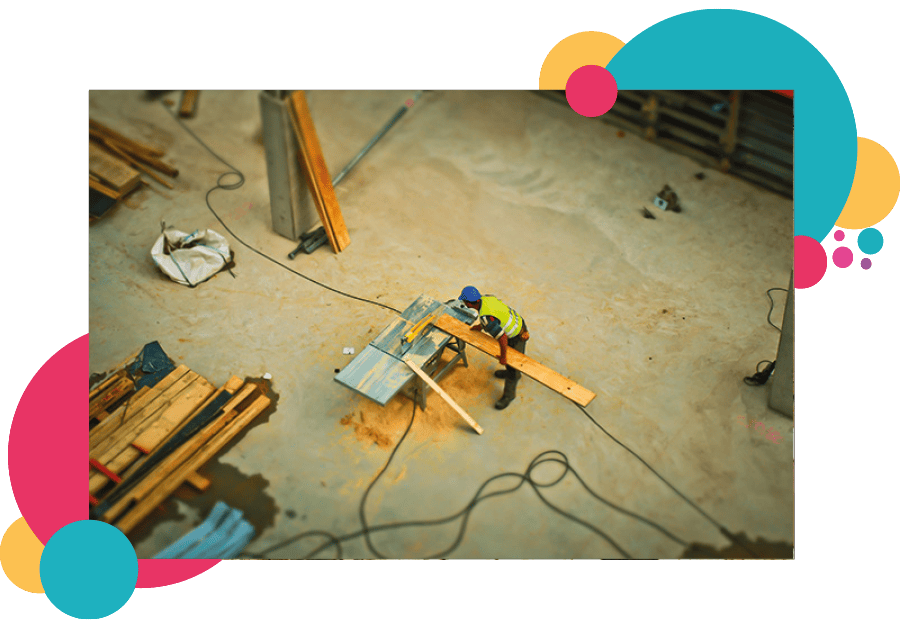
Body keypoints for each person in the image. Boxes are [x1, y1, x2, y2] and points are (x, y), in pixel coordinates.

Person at [458, 286, 529, 410]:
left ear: (469, 303)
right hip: (518, 321)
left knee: (513, 366)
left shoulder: (486, 320)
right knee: (510, 364)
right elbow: (495, 314)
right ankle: (510, 372)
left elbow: (503, 339)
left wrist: (503, 357)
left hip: (516, 335)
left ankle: (509, 394)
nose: (463, 303)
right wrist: (481, 327)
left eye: (464, 301)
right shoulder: (486, 298)